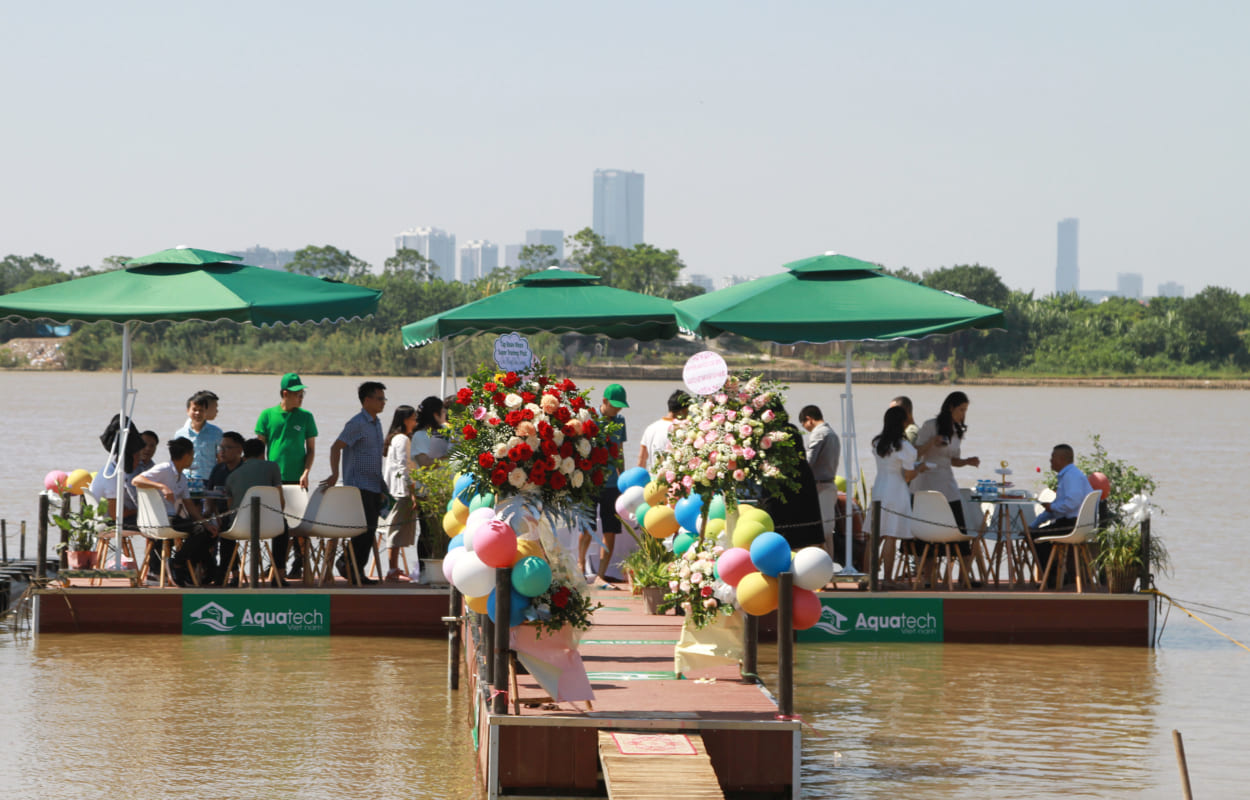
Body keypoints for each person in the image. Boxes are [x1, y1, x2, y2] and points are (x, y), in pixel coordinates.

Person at [322, 381, 387, 585]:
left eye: (384, 398)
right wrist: (334, 474)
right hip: (358, 485)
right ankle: (349, 565)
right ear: (367, 400)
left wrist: (382, 486)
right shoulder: (357, 423)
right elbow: (336, 447)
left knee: (370, 530)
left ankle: (355, 568)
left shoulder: (376, 423)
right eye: (379, 398)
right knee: (361, 530)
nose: (383, 402)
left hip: (374, 484)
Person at [132, 437, 219, 586]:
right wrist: (162, 487)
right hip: (162, 519)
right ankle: (178, 563)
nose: (193, 458)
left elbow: (190, 506)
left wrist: (206, 523)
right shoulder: (164, 468)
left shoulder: (182, 477)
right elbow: (137, 480)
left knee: (208, 532)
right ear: (186, 455)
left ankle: (205, 571)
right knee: (198, 531)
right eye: (192, 454)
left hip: (174, 518)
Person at [255, 373, 318, 578]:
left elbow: (310, 449)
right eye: (297, 394)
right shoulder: (267, 415)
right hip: (274, 480)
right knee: (277, 525)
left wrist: (306, 472)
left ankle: (299, 562)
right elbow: (259, 449)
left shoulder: (306, 416)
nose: (301, 397)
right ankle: (276, 565)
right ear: (285, 393)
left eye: (302, 394)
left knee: (298, 524)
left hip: (297, 479)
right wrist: (263, 473)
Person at [870, 405, 928, 580]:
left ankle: (868, 577)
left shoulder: (877, 442)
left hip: (879, 487)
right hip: (896, 489)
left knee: (874, 537)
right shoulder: (905, 447)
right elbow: (909, 475)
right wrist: (921, 468)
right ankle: (887, 579)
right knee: (891, 535)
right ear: (903, 423)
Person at [911, 391, 981, 533]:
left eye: (965, 410)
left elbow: (953, 461)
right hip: (926, 480)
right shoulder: (930, 425)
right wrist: (932, 441)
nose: (963, 414)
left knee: (957, 523)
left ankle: (960, 552)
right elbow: (916, 453)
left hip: (946, 480)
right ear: (950, 407)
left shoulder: (957, 431)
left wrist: (967, 461)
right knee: (926, 527)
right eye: (961, 409)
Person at [580, 383, 627, 588]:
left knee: (610, 530)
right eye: (614, 406)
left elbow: (620, 451)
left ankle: (601, 574)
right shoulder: (589, 419)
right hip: (591, 483)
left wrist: (623, 479)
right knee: (587, 528)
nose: (617, 410)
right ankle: (580, 569)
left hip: (612, 485)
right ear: (604, 401)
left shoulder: (620, 421)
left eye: (620, 407)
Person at [761, 404, 826, 551]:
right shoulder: (793, 430)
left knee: (781, 533)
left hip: (781, 487)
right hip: (803, 485)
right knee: (807, 537)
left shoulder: (770, 436)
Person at [224, 437, 285, 585]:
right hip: (270, 525)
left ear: (244, 454)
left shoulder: (231, 476)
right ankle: (279, 574)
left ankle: (235, 574)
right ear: (263, 453)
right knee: (284, 528)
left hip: (239, 526)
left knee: (225, 533)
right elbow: (280, 501)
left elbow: (229, 507)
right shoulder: (272, 467)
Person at [1031, 444, 1093, 585]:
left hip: (1074, 524)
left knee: (1036, 536)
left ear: (1062, 459)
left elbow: (1071, 503)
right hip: (1074, 522)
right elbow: (1057, 509)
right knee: (1033, 532)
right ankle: (1056, 576)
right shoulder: (1070, 474)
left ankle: (1053, 578)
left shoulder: (1071, 476)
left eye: (1053, 457)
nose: (1050, 460)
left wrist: (1050, 507)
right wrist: (1034, 524)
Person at [410, 396, 452, 578]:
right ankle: (424, 571)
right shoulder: (419, 435)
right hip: (427, 492)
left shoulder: (446, 432)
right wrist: (446, 457)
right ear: (435, 414)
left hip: (446, 490)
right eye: (443, 412)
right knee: (427, 532)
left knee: (445, 533)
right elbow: (424, 462)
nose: (445, 415)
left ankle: (444, 572)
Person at [382, 404, 419, 583]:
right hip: (401, 490)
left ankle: (393, 568)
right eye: (413, 418)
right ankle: (392, 569)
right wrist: (412, 491)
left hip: (394, 489)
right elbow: (405, 467)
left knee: (396, 529)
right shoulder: (403, 439)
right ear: (405, 420)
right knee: (395, 530)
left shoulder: (395, 438)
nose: (416, 421)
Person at [797, 405, 841, 555]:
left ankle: (825, 564)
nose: (806, 429)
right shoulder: (832, 434)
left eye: (804, 424)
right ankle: (829, 563)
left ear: (809, 419)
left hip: (820, 486)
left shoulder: (819, 434)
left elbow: (808, 462)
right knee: (827, 530)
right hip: (829, 484)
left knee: (823, 530)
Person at [205, 431, 245, 582]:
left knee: (226, 529)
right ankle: (208, 571)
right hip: (219, 514)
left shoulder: (245, 469)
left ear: (239, 450)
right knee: (200, 530)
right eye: (220, 447)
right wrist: (209, 515)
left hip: (242, 515)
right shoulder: (218, 469)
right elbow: (209, 495)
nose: (222, 451)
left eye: (227, 447)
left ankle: (228, 572)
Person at [173, 390, 222, 487]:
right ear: (188, 411)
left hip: (209, 480)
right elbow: (176, 460)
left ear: (206, 412)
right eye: (194, 410)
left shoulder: (216, 432)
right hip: (186, 480)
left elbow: (220, 458)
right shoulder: (180, 434)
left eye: (201, 410)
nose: (197, 413)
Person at [637, 390, 690, 473]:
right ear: (683, 410)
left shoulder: (650, 428)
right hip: (676, 482)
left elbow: (641, 459)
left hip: (653, 481)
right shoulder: (683, 429)